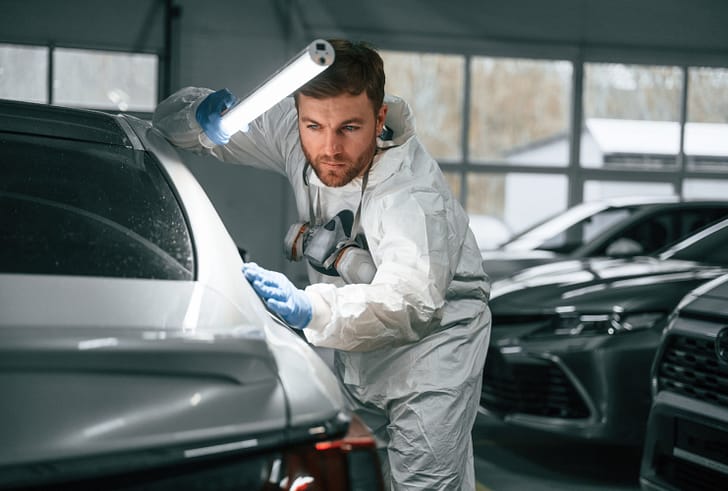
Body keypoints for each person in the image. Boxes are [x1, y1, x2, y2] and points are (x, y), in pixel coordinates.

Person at [153, 39, 491, 490]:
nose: (330, 147)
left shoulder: (412, 196)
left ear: (380, 119)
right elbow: (171, 127)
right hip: (357, 346)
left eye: (350, 128)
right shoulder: (297, 131)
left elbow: (410, 302)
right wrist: (201, 116)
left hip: (434, 349)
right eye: (314, 125)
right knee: (364, 478)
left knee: (425, 483)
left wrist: (312, 309)